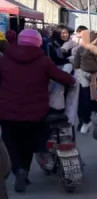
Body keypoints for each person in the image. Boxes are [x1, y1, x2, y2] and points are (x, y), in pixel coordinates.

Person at [0, 27, 75, 190]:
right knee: (27, 144)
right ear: (38, 43)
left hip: (6, 111)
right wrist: (71, 79)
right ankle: (24, 172)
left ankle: (18, 170)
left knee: (10, 142)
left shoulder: (5, 59)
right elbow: (63, 78)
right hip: (34, 113)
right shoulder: (43, 61)